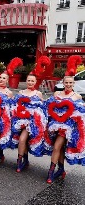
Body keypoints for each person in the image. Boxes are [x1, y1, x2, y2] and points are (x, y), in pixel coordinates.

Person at [46, 55, 85, 183]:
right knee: (60, 148)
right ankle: (61, 169)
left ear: (74, 83)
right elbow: (50, 106)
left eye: (70, 82)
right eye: (66, 82)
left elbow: (80, 113)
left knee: (57, 147)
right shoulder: (57, 94)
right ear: (63, 83)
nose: (68, 84)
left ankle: (51, 172)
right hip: (55, 124)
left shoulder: (77, 96)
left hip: (68, 128)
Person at [12, 56, 50, 173]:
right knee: (23, 140)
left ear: (35, 82)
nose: (30, 82)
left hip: (32, 123)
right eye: (28, 80)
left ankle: (19, 162)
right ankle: (25, 160)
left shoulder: (38, 93)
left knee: (23, 139)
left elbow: (42, 109)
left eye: (32, 81)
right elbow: (14, 105)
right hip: (19, 120)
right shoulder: (21, 92)